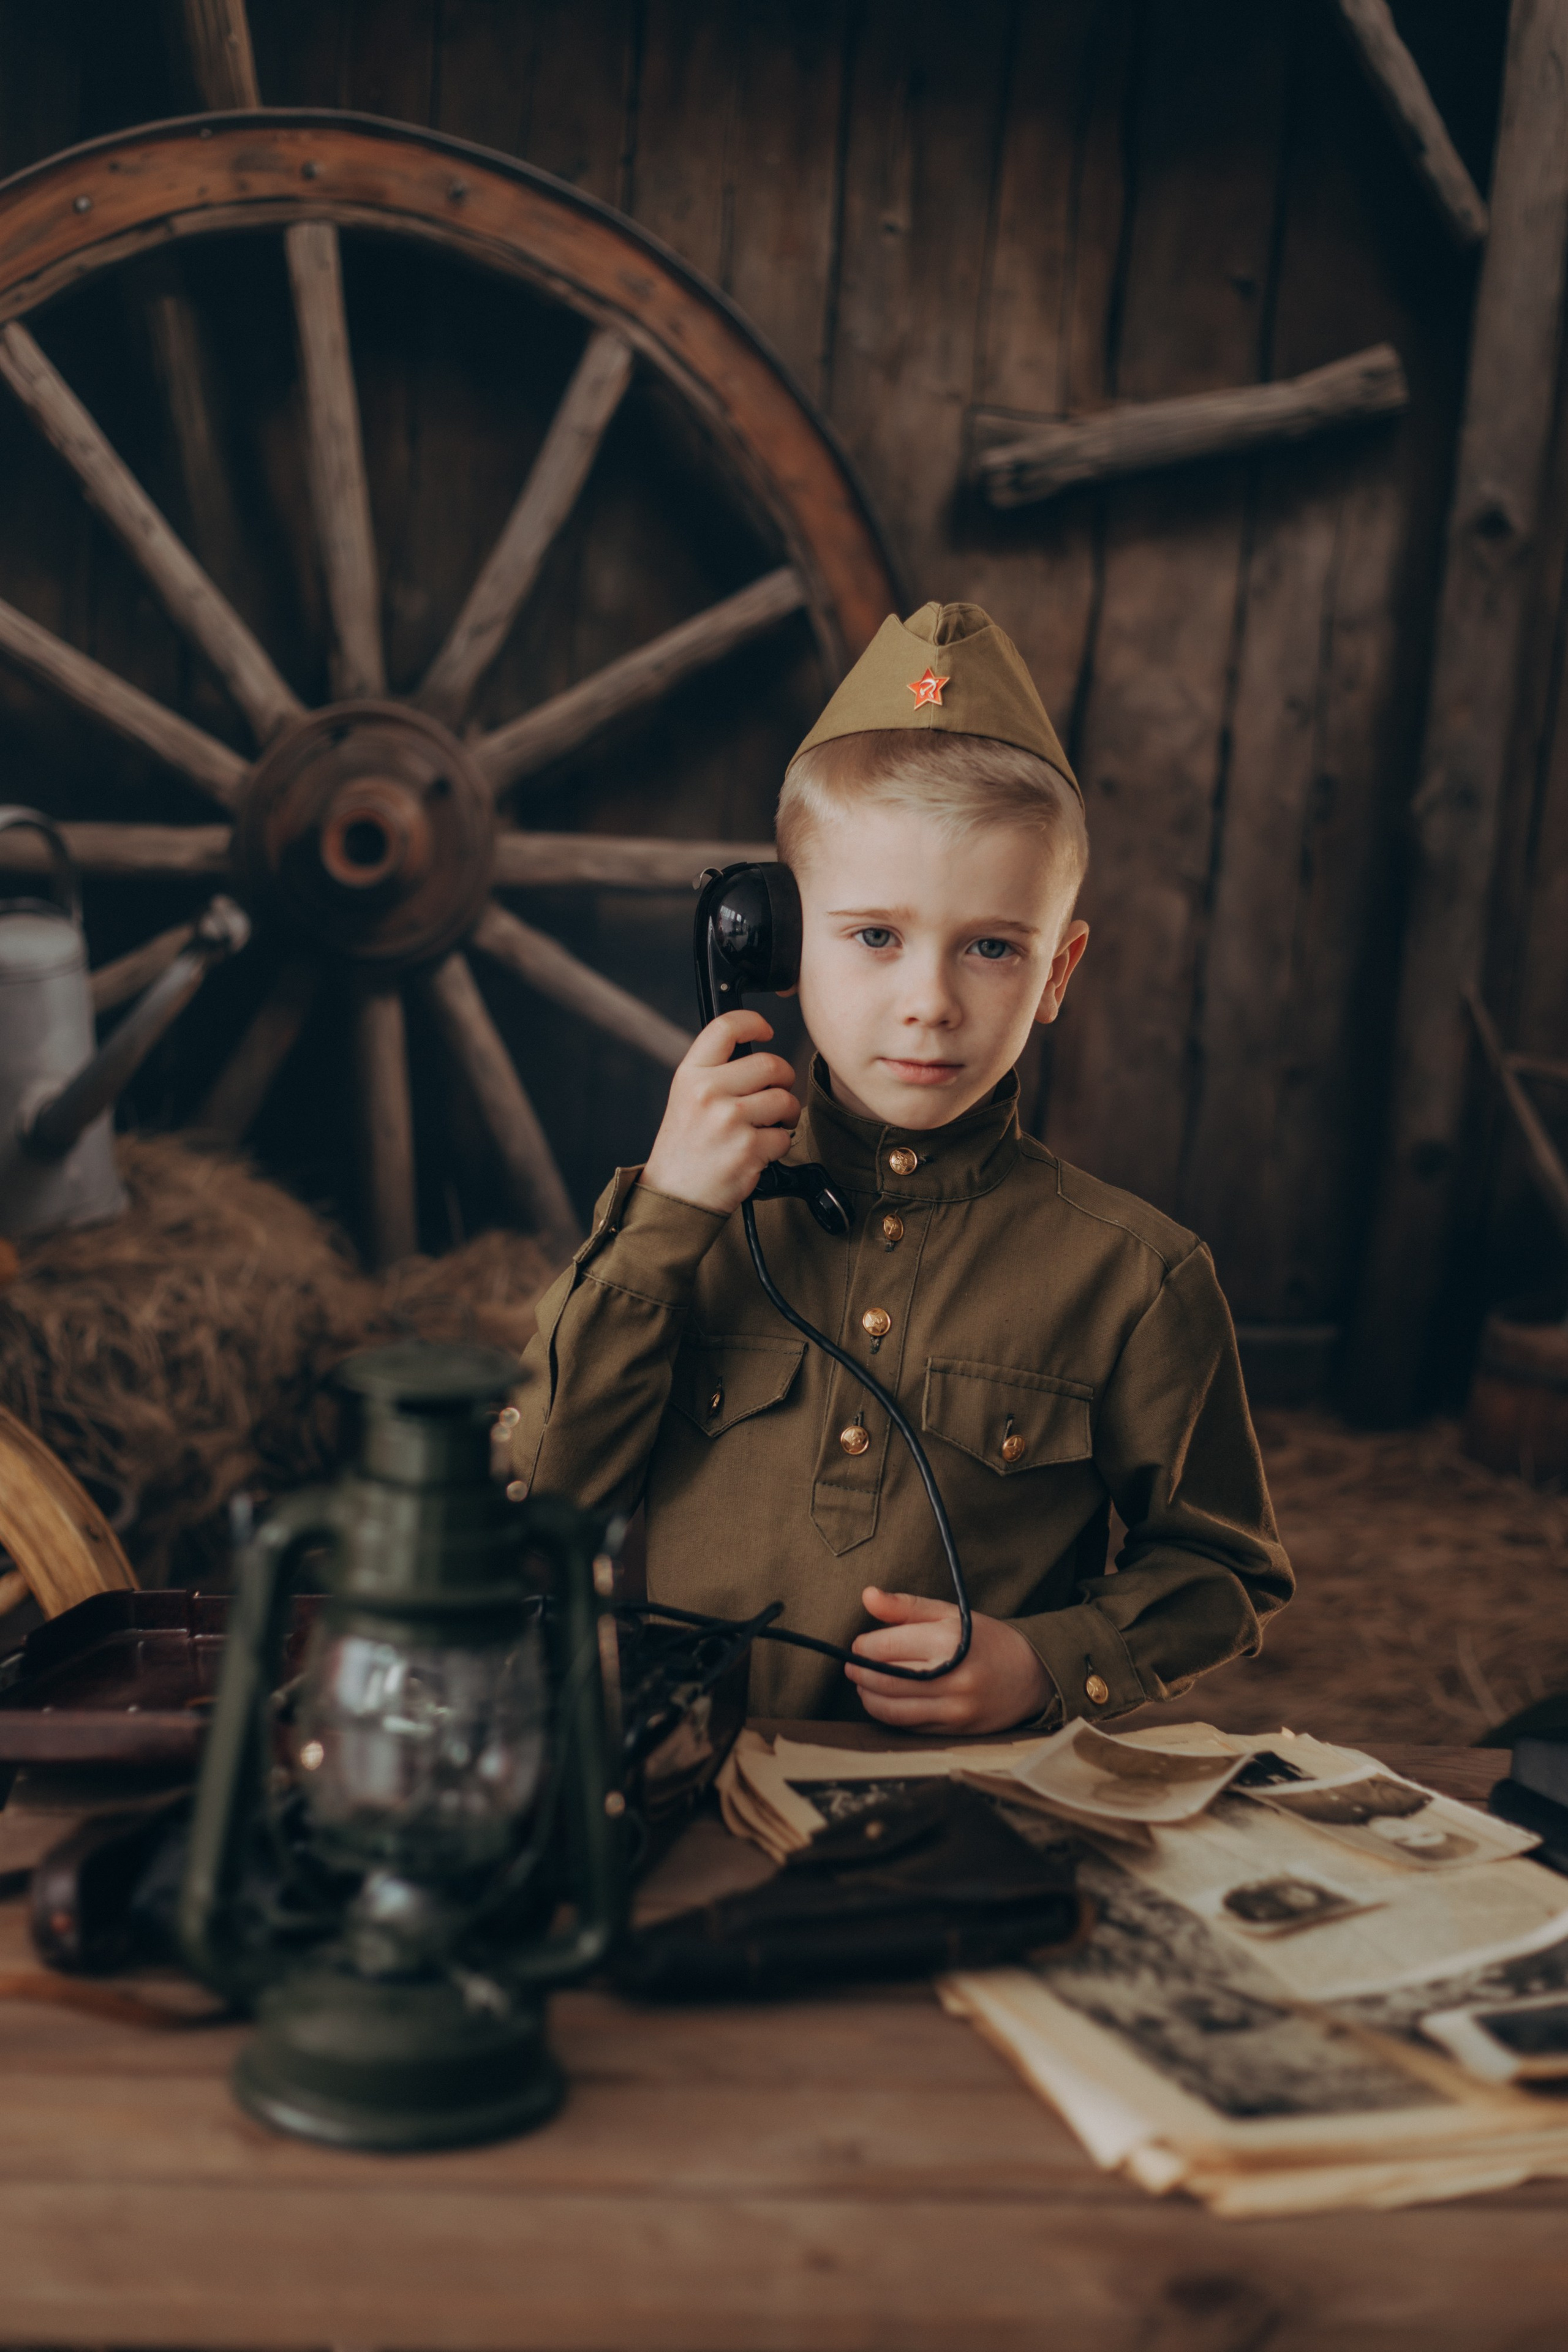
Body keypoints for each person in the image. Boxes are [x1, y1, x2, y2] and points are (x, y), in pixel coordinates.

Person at [510, 601, 1292, 1733]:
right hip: (677, 1788)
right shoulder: (673, 1226)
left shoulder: (1138, 1278)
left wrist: (1048, 1661)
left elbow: (1227, 1569)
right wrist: (671, 1213)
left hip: (961, 1819)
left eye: (991, 947)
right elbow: (547, 1490)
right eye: (874, 935)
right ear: (771, 945)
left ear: (1059, 969)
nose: (929, 1002)